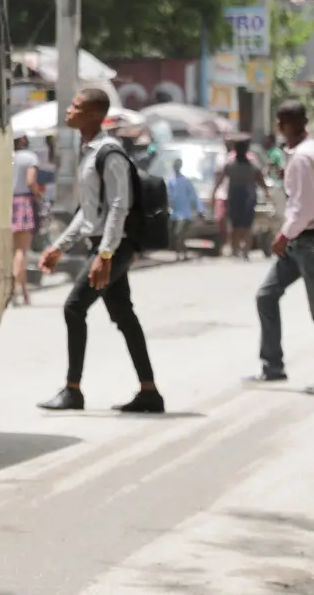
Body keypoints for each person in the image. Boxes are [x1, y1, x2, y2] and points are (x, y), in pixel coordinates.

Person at [36, 88, 163, 414]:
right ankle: (149, 391)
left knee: (74, 308)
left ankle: (73, 390)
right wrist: (58, 247)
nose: (69, 110)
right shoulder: (90, 152)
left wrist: (105, 256)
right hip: (106, 245)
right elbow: (90, 213)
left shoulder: (110, 154)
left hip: (115, 246)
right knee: (124, 316)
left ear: (94, 114)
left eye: (76, 106)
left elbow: (120, 206)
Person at [247, 100, 314, 396]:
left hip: (309, 240)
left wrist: (283, 235)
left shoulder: (304, 157)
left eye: (280, 124)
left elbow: (304, 208)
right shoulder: (311, 149)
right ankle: (272, 366)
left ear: (288, 125)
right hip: (304, 240)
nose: (278, 130)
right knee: (266, 296)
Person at [215, 139, 264, 261]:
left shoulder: (244, 165)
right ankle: (239, 250)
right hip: (243, 198)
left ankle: (240, 250)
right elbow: (261, 181)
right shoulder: (234, 165)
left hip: (243, 198)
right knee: (241, 225)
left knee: (241, 225)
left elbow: (261, 180)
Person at [11, 133, 40, 305]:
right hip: (23, 202)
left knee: (14, 253)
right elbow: (31, 182)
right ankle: (14, 291)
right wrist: (38, 195)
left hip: (7, 203)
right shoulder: (30, 157)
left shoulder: (8, 157)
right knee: (21, 252)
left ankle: (24, 293)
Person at [167, 157, 203, 261]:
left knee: (179, 234)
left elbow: (193, 196)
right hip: (174, 213)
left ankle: (181, 255)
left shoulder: (186, 181)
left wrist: (199, 210)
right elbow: (168, 196)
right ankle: (182, 254)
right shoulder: (171, 181)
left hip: (185, 213)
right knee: (177, 236)